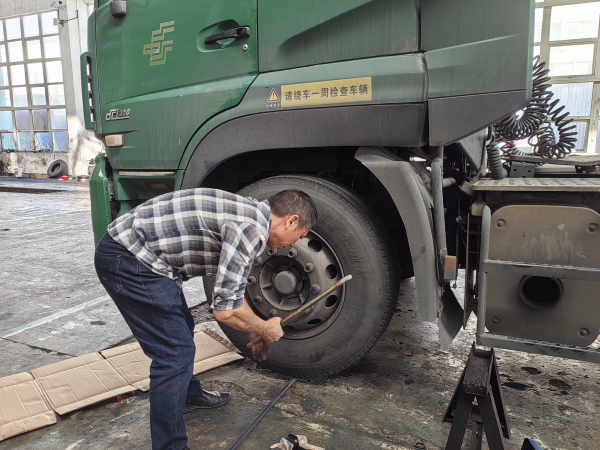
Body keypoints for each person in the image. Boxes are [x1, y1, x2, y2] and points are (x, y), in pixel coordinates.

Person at [94, 188, 317, 450]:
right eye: (299, 236)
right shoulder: (250, 230)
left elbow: (231, 292)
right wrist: (263, 327)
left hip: (145, 257)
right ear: (291, 220)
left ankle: (187, 396)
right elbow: (224, 311)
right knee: (174, 354)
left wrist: (252, 327)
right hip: (129, 258)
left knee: (182, 329)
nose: (293, 245)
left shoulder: (251, 216)